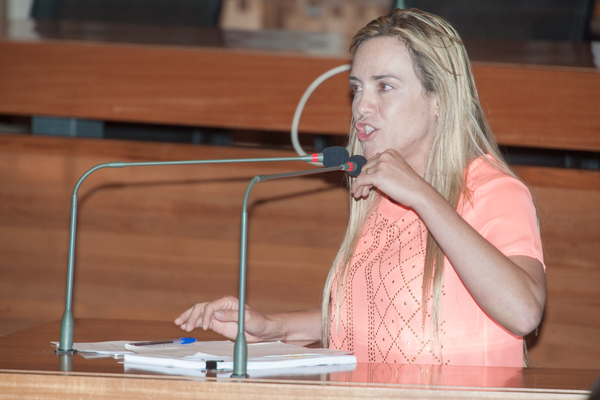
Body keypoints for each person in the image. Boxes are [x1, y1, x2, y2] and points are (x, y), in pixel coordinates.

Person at [174, 8, 546, 367]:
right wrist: (275, 327)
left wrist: (422, 196)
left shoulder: (493, 191)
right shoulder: (378, 193)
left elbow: (523, 313)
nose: (361, 107)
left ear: (439, 99)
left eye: (385, 86)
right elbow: (380, 321)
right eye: (356, 88)